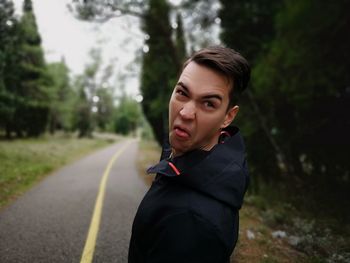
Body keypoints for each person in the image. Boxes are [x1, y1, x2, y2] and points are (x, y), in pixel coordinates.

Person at [128, 46, 251, 263]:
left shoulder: (192, 222)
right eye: (182, 93)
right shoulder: (184, 159)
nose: (185, 113)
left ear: (228, 117)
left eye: (208, 103)